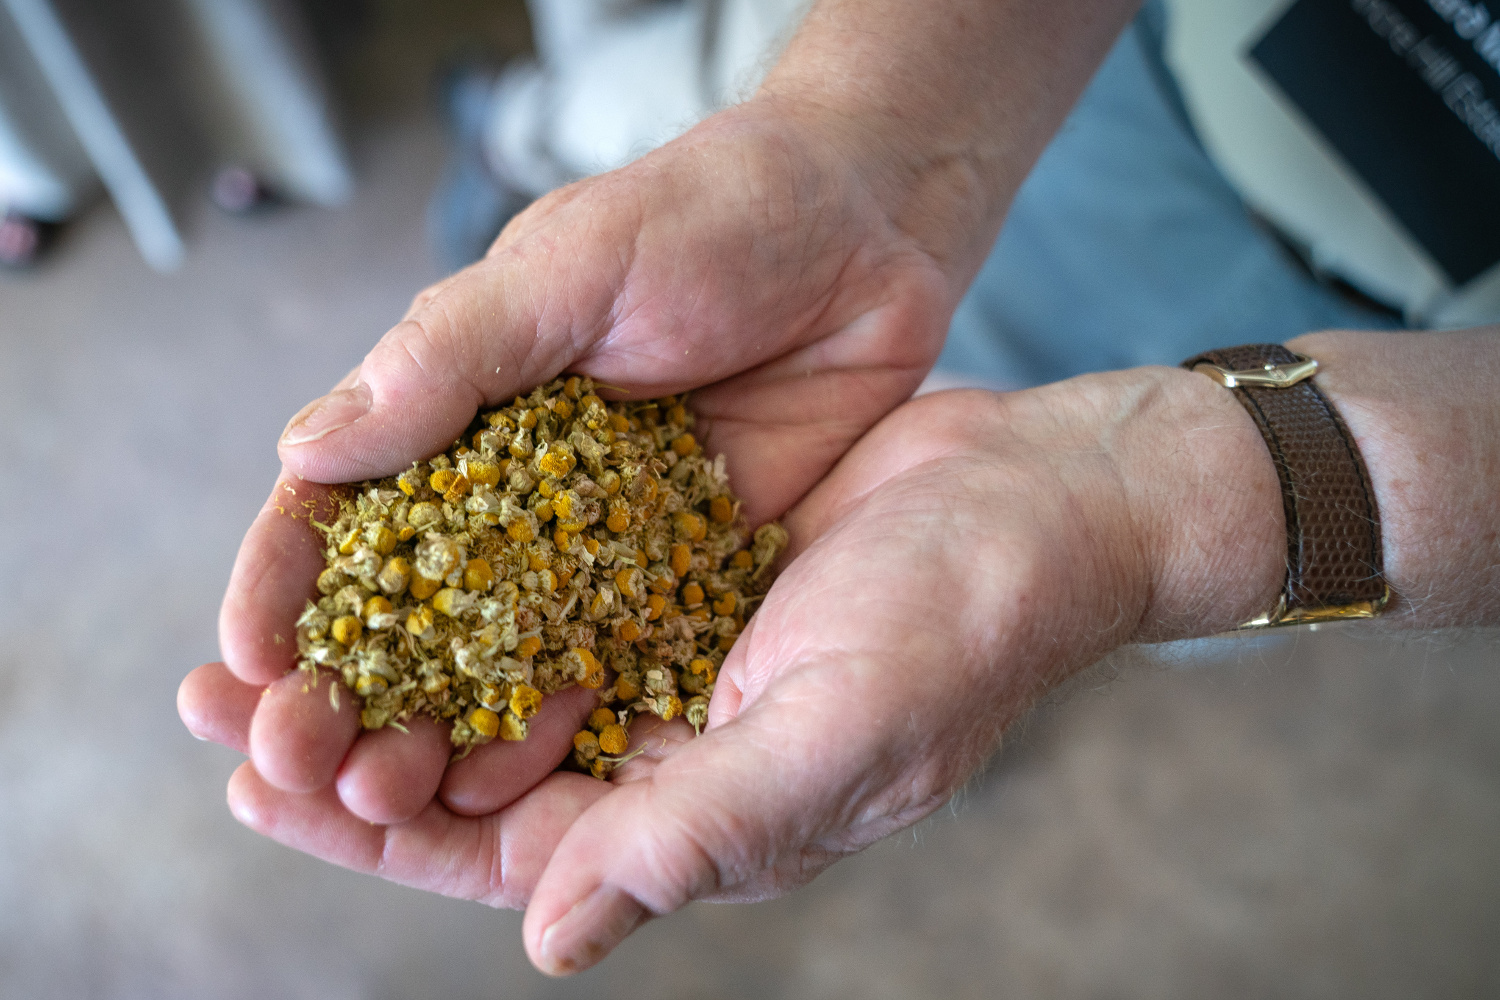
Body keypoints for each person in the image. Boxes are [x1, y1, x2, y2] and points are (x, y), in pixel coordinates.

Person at [178, 0, 1500, 977]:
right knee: (668, 142)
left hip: (1393, 370)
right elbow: (868, 140)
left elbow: (1159, 501)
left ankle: (996, 665)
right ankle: (512, 135)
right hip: (1096, 53)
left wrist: (1140, 517)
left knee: (1002, 588)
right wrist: (869, 137)